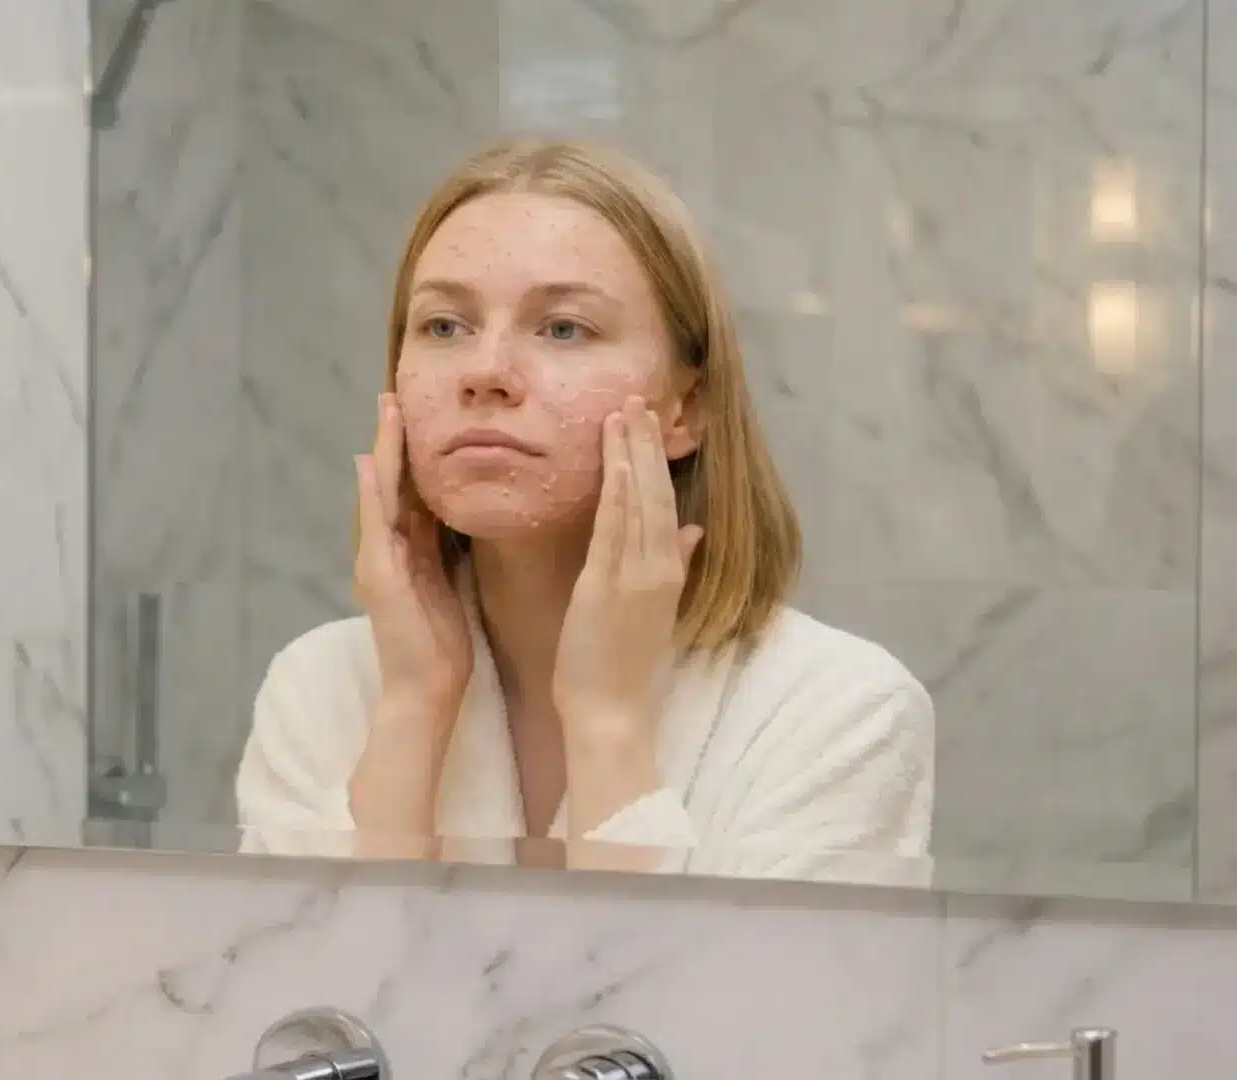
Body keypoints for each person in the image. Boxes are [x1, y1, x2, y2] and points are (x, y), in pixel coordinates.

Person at [236, 136, 934, 881]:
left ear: (686, 407)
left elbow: (714, 1001)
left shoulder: (839, 711)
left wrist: (608, 727)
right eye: (444, 326)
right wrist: (411, 709)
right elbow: (313, 989)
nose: (485, 372)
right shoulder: (320, 687)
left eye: (563, 328)